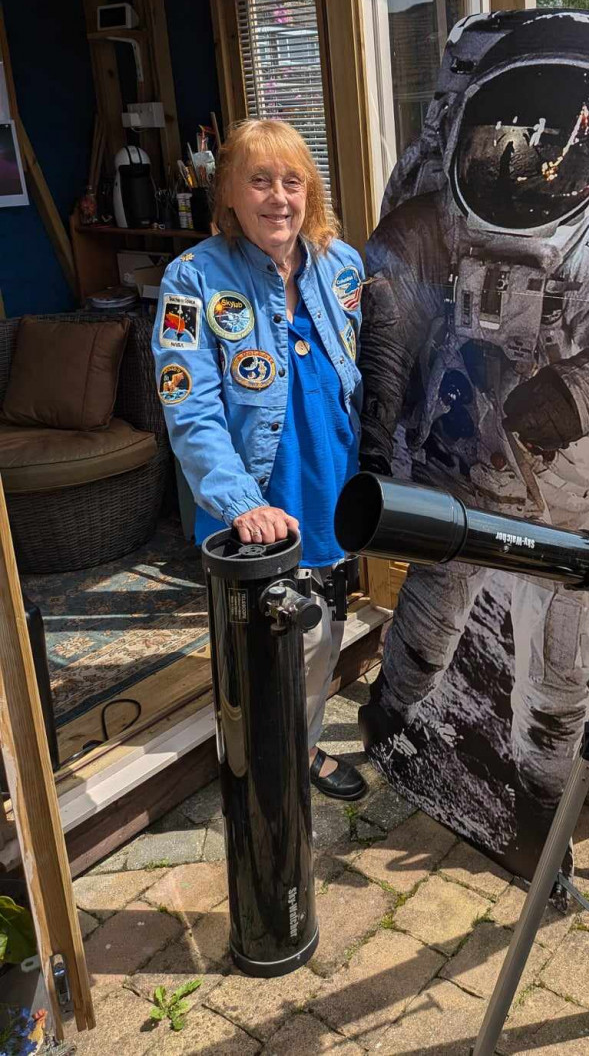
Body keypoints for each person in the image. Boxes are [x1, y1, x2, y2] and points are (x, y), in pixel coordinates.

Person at [358, 10, 589, 836]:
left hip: (556, 513)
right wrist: (377, 437)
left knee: (561, 666)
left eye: (566, 135)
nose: (537, 156)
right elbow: (385, 329)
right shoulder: (434, 222)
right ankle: (395, 725)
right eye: (512, 128)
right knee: (428, 625)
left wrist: (578, 395)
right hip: (453, 487)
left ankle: (539, 796)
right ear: (472, 125)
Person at [152, 118, 366, 801]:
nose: (278, 197)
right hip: (259, 508)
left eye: (292, 181)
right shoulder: (192, 279)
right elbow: (189, 408)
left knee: (321, 638)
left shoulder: (342, 265)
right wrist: (242, 503)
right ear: (230, 194)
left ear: (311, 192)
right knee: (258, 654)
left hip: (332, 492)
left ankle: (297, 750)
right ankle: (258, 769)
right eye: (260, 180)